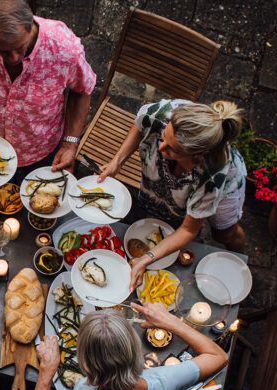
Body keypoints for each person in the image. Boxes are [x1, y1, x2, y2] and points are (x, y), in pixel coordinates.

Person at [96, 99, 247, 290]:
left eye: (172, 149)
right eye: (164, 137)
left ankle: (240, 263)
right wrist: (117, 161)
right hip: (186, 176)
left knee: (224, 233)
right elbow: (140, 124)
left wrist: (147, 258)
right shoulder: (162, 114)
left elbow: (188, 230)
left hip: (225, 186)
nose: (160, 148)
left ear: (197, 157)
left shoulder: (212, 174)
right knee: (157, 203)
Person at [0, 0, 96, 173]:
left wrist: (70, 144)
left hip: (42, 150)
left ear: (30, 25)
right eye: (3, 51)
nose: (14, 58)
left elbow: (82, 90)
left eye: (20, 47)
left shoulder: (64, 48)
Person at [28, 305, 228, 390]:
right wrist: (171, 322)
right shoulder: (164, 380)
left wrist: (47, 372)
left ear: (85, 361)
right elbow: (218, 356)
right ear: (134, 348)